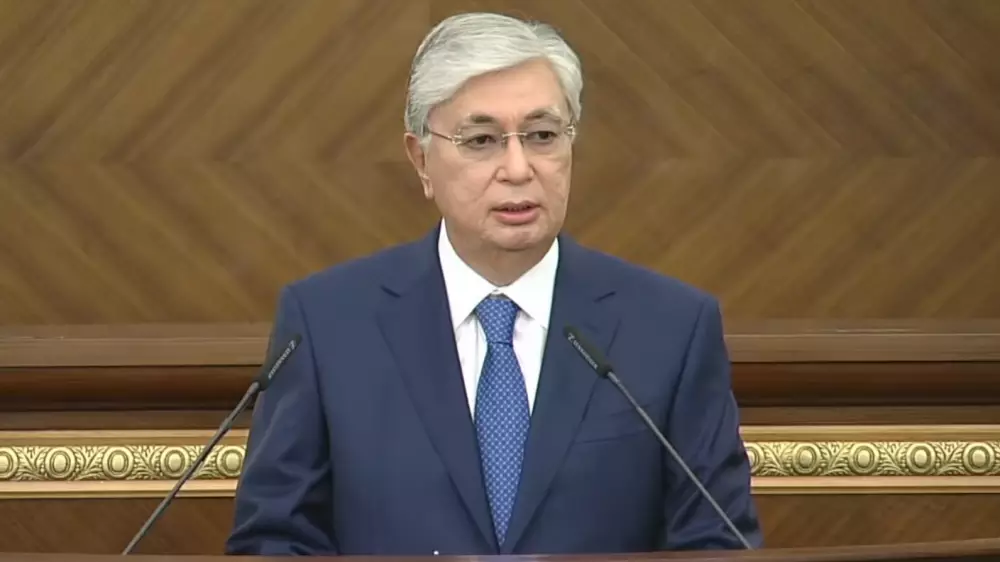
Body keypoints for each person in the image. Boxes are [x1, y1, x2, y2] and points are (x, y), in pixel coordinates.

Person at [225, 11, 762, 556]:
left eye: (543, 136)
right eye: (481, 140)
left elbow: (715, 539)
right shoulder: (327, 325)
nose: (518, 168)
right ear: (421, 160)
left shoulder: (671, 328)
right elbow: (276, 539)